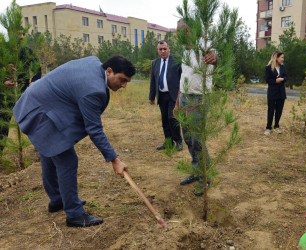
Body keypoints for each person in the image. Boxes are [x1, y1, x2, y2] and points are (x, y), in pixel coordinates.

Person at [12, 55, 135, 227]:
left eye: (127, 82)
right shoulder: (93, 89)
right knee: (67, 160)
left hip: (40, 104)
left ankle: (57, 200)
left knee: (50, 151)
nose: (123, 85)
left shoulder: (95, 63)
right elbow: (94, 129)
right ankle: (74, 215)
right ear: (109, 71)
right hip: (39, 110)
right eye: (122, 80)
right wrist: (115, 160)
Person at [174, 19, 217, 196]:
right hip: (184, 97)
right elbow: (183, 78)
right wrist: (177, 102)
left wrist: (215, 57)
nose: (177, 35)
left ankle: (205, 177)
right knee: (188, 138)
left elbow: (215, 57)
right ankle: (195, 170)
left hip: (199, 99)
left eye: (179, 31)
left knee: (198, 140)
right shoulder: (185, 52)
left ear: (188, 31)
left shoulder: (204, 45)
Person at [1, 29, 41, 156]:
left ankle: (41, 147)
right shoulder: (3, 50)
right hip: (5, 94)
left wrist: (34, 81)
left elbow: (37, 68)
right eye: (18, 33)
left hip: (24, 91)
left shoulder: (27, 51)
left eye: (22, 34)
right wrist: (4, 79)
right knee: (3, 124)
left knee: (33, 119)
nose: (21, 36)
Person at [149, 40, 183, 151]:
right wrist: (151, 96)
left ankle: (178, 141)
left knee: (172, 118)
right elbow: (153, 81)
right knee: (164, 120)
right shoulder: (155, 63)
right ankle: (168, 142)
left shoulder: (177, 60)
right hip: (162, 96)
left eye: (165, 49)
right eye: (160, 49)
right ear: (157, 50)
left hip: (174, 95)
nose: (163, 51)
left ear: (169, 48)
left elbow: (182, 78)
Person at [264, 51, 287, 136]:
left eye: (283, 57)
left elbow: (286, 77)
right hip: (272, 92)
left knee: (279, 111)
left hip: (281, 92)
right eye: (281, 57)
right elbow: (267, 80)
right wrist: (275, 81)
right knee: (271, 110)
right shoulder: (268, 67)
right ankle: (268, 128)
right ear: (276, 58)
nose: (282, 59)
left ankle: (276, 126)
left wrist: (282, 79)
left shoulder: (283, 67)